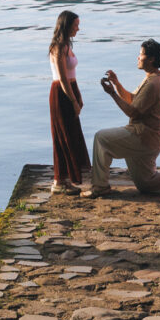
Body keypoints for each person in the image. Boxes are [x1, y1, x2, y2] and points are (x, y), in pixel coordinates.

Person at [88, 39, 160, 198]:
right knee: (146, 183)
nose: (138, 57)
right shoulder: (152, 78)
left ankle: (99, 187)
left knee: (101, 138)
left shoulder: (153, 83)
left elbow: (133, 112)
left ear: (151, 59)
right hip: (149, 138)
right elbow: (132, 99)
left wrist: (112, 94)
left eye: (141, 54)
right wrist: (116, 84)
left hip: (142, 137)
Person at [47, 10, 90, 194]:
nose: (78, 29)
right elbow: (63, 79)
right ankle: (59, 181)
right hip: (61, 94)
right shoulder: (58, 47)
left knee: (71, 135)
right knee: (62, 136)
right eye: (75, 25)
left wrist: (78, 97)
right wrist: (73, 100)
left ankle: (65, 179)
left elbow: (72, 77)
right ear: (66, 26)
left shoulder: (67, 46)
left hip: (70, 91)